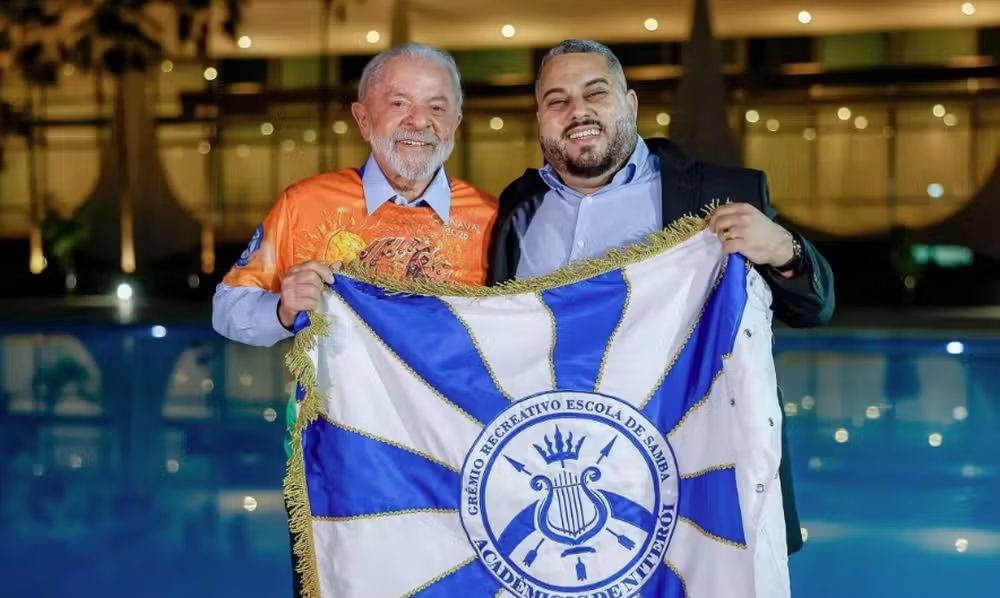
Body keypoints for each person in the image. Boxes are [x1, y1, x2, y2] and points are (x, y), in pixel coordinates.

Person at [488, 39, 835, 555]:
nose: (577, 110)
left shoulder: (718, 192)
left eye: (595, 92)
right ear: (540, 119)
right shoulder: (518, 208)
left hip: (696, 489)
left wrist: (784, 249)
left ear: (630, 104)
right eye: (557, 100)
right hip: (564, 484)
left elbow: (814, 306)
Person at [211, 43, 498, 593]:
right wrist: (282, 307)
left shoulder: (491, 220)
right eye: (399, 103)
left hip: (456, 470)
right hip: (332, 467)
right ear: (363, 118)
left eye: (437, 107)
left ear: (457, 123)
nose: (420, 122)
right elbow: (227, 308)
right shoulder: (305, 206)